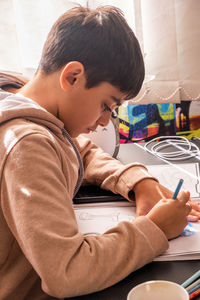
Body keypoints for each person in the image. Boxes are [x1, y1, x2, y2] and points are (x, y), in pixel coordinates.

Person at [0, 5, 199, 300]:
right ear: (72, 76)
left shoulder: (30, 106)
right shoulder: (27, 144)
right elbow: (66, 271)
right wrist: (156, 228)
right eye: (107, 105)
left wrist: (139, 182)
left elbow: (80, 151)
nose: (106, 121)